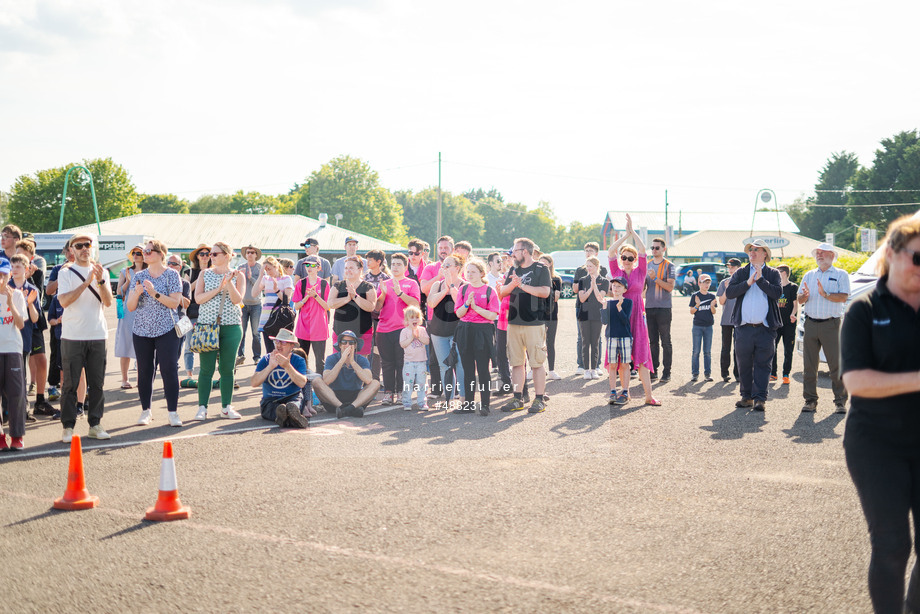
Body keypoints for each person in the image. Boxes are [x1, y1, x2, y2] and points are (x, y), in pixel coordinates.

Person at [840, 214, 920, 613]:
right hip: (877, 442)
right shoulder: (864, 310)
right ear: (891, 253)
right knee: (892, 545)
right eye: (918, 258)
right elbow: (856, 382)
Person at [57, 233, 113, 442]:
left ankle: (95, 424)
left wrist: (99, 280)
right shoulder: (66, 272)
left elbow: (107, 302)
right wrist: (85, 283)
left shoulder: (102, 271)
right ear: (72, 250)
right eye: (79, 245)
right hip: (72, 336)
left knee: (97, 384)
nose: (84, 249)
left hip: (97, 334)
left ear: (92, 247)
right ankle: (68, 427)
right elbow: (63, 301)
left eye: (87, 245)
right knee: (70, 384)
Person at [126, 239, 184, 427]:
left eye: (149, 251)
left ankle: (173, 412)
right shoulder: (139, 275)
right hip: (142, 329)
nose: (145, 254)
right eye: (145, 251)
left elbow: (175, 303)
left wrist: (154, 293)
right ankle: (146, 411)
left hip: (167, 328)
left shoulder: (172, 275)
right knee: (144, 371)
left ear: (161, 254)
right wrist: (136, 293)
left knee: (169, 369)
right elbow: (130, 307)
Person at [607, 214, 660, 406]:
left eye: (630, 257)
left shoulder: (641, 271)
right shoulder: (616, 272)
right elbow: (611, 251)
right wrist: (624, 236)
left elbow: (644, 249)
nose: (627, 260)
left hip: (637, 315)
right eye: (624, 257)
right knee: (621, 358)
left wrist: (633, 232)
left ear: (635, 259)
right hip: (620, 316)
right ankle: (624, 392)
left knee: (642, 354)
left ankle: (648, 396)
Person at [725, 239, 782, 412]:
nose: (752, 252)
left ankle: (760, 399)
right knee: (743, 363)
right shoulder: (741, 272)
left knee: (763, 364)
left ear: (765, 254)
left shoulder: (773, 273)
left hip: (765, 328)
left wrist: (761, 280)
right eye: (750, 250)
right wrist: (748, 282)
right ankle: (746, 397)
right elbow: (730, 292)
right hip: (744, 327)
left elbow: (777, 293)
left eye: (757, 250)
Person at [191, 241, 245, 421]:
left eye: (215, 254)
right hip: (207, 326)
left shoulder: (239, 276)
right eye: (210, 254)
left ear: (228, 255)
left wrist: (229, 283)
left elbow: (237, 300)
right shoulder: (205, 274)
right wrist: (219, 288)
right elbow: (198, 299)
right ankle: (202, 408)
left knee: (227, 369)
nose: (210, 257)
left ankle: (226, 407)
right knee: (206, 369)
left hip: (231, 327)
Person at [798, 242, 850, 413]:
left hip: (831, 324)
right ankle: (810, 401)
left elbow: (843, 297)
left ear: (832, 255)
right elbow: (799, 299)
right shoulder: (809, 275)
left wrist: (825, 295)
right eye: (817, 253)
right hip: (811, 323)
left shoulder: (841, 274)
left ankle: (840, 402)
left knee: (836, 365)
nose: (819, 255)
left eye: (822, 253)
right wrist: (803, 297)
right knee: (809, 366)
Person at [500, 238, 551, 414]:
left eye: (515, 250)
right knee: (516, 363)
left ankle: (539, 399)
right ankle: (517, 398)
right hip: (514, 322)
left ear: (525, 251)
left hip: (534, 322)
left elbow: (545, 292)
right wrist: (513, 284)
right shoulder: (514, 269)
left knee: (536, 363)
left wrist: (522, 285)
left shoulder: (540, 268)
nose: (512, 253)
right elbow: (501, 292)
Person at [454, 258, 500, 415]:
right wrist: (467, 304)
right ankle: (468, 404)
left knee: (483, 369)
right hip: (465, 330)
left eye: (473, 272)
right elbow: (459, 313)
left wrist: (476, 307)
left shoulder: (489, 291)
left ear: (482, 273)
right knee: (468, 369)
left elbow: (492, 315)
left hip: (483, 331)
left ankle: (485, 404)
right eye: (467, 271)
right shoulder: (463, 290)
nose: (469, 274)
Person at [375, 253, 420, 404]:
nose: (395, 267)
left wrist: (400, 292)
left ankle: (401, 392)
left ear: (405, 267)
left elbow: (415, 304)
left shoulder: (411, 283)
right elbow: (376, 308)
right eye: (393, 264)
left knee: (402, 363)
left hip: (403, 330)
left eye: (398, 264)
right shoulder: (385, 283)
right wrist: (382, 294)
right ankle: (388, 392)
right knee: (387, 363)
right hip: (384, 329)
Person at [427, 253, 467, 410]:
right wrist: (444, 289)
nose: (444, 268)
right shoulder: (437, 285)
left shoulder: (464, 285)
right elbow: (431, 303)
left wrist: (451, 286)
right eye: (443, 266)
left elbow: (460, 302)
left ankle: (464, 398)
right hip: (438, 330)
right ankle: (448, 398)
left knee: (461, 365)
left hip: (458, 330)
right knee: (445, 366)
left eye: (448, 266)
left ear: (457, 268)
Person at [251, 328, 313, 429]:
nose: (279, 345)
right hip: (271, 400)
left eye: (283, 342)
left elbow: (302, 383)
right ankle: (291, 419)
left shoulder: (298, 360)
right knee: (275, 408)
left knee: (293, 405)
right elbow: (254, 383)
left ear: (291, 346)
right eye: (277, 341)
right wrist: (270, 367)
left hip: (292, 397)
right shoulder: (266, 359)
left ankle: (286, 417)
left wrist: (287, 366)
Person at [420, 235, 455, 401]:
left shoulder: (458, 268)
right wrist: (439, 277)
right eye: (440, 248)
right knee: (434, 357)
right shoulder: (430, 268)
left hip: (456, 319)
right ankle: (436, 388)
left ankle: (457, 389)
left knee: (457, 355)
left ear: (452, 250)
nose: (442, 250)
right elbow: (424, 289)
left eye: (446, 248)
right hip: (435, 319)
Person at [6, 255, 40, 421]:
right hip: (5, 341)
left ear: (26, 269)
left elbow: (35, 319)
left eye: (18, 266)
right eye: (12, 266)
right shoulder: (5, 288)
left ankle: (24, 411)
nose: (14, 269)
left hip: (23, 339)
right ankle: (6, 411)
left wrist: (29, 303)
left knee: (21, 377)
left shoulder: (33, 290)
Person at [318, 330, 381, 418]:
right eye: (344, 342)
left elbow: (368, 380)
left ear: (355, 346)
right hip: (334, 397)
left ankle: (350, 409)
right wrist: (341, 361)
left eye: (351, 343)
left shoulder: (362, 360)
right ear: (340, 345)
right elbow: (327, 380)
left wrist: (352, 362)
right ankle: (342, 407)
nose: (347, 345)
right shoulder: (331, 358)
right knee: (316, 381)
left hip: (356, 398)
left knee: (376, 383)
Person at [327, 256, 377, 359]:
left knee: (360, 364)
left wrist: (355, 296)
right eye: (346, 268)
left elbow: (371, 307)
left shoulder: (368, 286)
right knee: (338, 361)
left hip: (362, 331)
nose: (347, 270)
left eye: (351, 268)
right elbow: (330, 304)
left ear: (359, 269)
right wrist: (346, 298)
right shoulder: (338, 285)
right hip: (340, 331)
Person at [0, 260, 27, 450]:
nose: (1, 278)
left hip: (12, 349)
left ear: (9, 275)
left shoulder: (16, 295)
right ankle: (0, 436)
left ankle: (17, 435)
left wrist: (10, 302)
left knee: (16, 394)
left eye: (3, 274)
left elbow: (20, 324)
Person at [292, 255, 331, 373]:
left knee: (320, 362)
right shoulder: (301, 284)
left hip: (319, 327)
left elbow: (328, 306)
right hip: (303, 327)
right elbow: (296, 306)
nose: (309, 267)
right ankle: (303, 386)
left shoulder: (324, 284)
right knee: (301, 360)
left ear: (319, 268)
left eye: (313, 265)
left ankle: (320, 388)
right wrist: (307, 297)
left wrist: (315, 296)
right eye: (307, 265)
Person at [573, 242, 608, 375]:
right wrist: (585, 289)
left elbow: (602, 295)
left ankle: (596, 366)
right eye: (586, 250)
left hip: (597, 310)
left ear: (596, 253)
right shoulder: (580, 271)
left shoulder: (603, 272)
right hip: (582, 308)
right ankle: (582, 366)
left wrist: (594, 286)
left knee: (596, 339)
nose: (588, 252)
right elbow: (576, 289)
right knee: (582, 338)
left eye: (591, 250)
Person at [114, 244, 145, 389]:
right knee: (125, 344)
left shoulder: (149, 272)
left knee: (143, 347)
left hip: (145, 311)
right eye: (134, 253)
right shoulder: (125, 271)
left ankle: (141, 379)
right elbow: (119, 294)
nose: (136, 255)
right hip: (127, 312)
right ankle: (124, 379)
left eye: (139, 252)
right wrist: (127, 281)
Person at [645, 237, 676, 382]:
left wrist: (655, 278)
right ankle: (653, 370)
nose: (654, 250)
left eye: (657, 248)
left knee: (665, 341)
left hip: (664, 308)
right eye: (652, 247)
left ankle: (667, 371)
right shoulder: (647, 265)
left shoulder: (669, 266)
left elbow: (670, 287)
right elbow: (642, 287)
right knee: (652, 341)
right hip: (649, 307)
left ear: (663, 249)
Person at [254, 256, 294, 355]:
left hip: (280, 319)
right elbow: (254, 293)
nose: (268, 272)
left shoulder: (286, 278)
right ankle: (271, 369)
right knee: (270, 351)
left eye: (269, 269)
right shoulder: (265, 278)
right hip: (266, 319)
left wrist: (276, 290)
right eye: (265, 270)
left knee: (282, 350)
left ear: (276, 266)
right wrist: (260, 275)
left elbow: (287, 300)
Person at [183, 244, 210, 379]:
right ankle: (189, 374)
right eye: (202, 254)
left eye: (207, 254)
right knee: (189, 345)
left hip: (209, 313)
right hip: (191, 313)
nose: (205, 256)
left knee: (207, 344)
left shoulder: (214, 272)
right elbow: (187, 291)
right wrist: (200, 277)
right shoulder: (190, 272)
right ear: (197, 257)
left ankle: (205, 373)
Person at [604, 276, 632, 405]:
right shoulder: (608, 302)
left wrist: (619, 306)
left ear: (625, 289)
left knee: (625, 364)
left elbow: (625, 321)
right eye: (614, 286)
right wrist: (604, 307)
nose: (615, 288)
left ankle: (625, 391)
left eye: (619, 286)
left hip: (625, 336)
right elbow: (604, 321)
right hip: (611, 337)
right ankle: (613, 391)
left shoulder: (628, 302)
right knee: (613, 365)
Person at [236, 245, 263, 366]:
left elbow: (260, 285)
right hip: (243, 304)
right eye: (248, 252)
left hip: (256, 304)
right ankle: (240, 356)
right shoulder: (241, 267)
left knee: (256, 333)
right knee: (241, 332)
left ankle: (257, 357)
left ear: (256, 254)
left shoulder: (260, 268)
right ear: (245, 255)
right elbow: (237, 284)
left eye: (252, 252)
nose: (250, 254)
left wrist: (250, 277)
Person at [771, 263, 798, 384]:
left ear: (785, 273)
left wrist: (793, 314)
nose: (777, 274)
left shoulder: (793, 287)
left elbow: (796, 304)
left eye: (779, 271)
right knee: (772, 348)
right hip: (776, 323)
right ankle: (773, 373)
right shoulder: (775, 287)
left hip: (789, 324)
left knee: (788, 350)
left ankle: (786, 374)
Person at [716, 258, 742, 383]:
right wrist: (727, 289)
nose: (730, 269)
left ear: (738, 267)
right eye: (729, 267)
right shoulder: (724, 282)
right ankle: (724, 373)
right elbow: (721, 301)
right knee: (725, 347)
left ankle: (738, 373)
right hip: (726, 320)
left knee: (738, 348)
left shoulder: (743, 282)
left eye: (732, 267)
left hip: (740, 320)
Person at [688, 273, 718, 382]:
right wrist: (697, 304)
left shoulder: (712, 296)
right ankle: (695, 374)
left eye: (708, 282)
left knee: (707, 352)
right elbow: (692, 311)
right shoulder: (695, 296)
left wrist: (711, 306)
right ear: (699, 283)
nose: (707, 285)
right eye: (705, 282)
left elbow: (714, 312)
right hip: (697, 326)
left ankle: (707, 374)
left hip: (708, 326)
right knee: (696, 351)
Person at [399, 306, 429, 410]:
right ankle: (407, 402)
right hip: (409, 363)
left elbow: (427, 341)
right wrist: (412, 337)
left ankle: (422, 402)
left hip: (421, 362)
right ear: (407, 320)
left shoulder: (422, 330)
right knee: (408, 382)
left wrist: (418, 336)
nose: (415, 319)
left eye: (417, 317)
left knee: (422, 383)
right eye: (412, 317)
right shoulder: (404, 331)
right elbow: (402, 344)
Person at [539, 254, 562, 380]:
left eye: (545, 264)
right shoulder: (536, 279)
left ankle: (551, 370)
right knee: (537, 343)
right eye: (541, 263)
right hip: (538, 316)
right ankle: (535, 369)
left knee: (550, 342)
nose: (543, 266)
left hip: (552, 315)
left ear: (550, 265)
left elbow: (556, 298)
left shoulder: (556, 280)